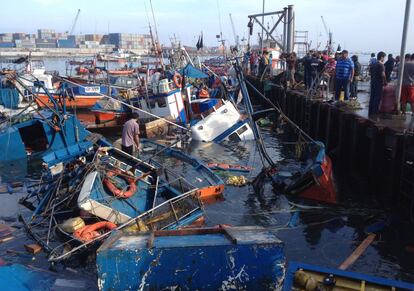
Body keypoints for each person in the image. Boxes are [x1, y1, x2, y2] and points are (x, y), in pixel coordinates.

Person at [369, 51, 387, 116]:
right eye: (384, 57)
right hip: (379, 83)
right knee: (377, 97)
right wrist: (385, 82)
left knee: (372, 97)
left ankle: (370, 110)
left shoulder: (373, 64)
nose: (384, 59)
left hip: (373, 82)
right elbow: (383, 75)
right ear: (381, 57)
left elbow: (370, 73)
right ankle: (375, 112)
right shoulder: (381, 65)